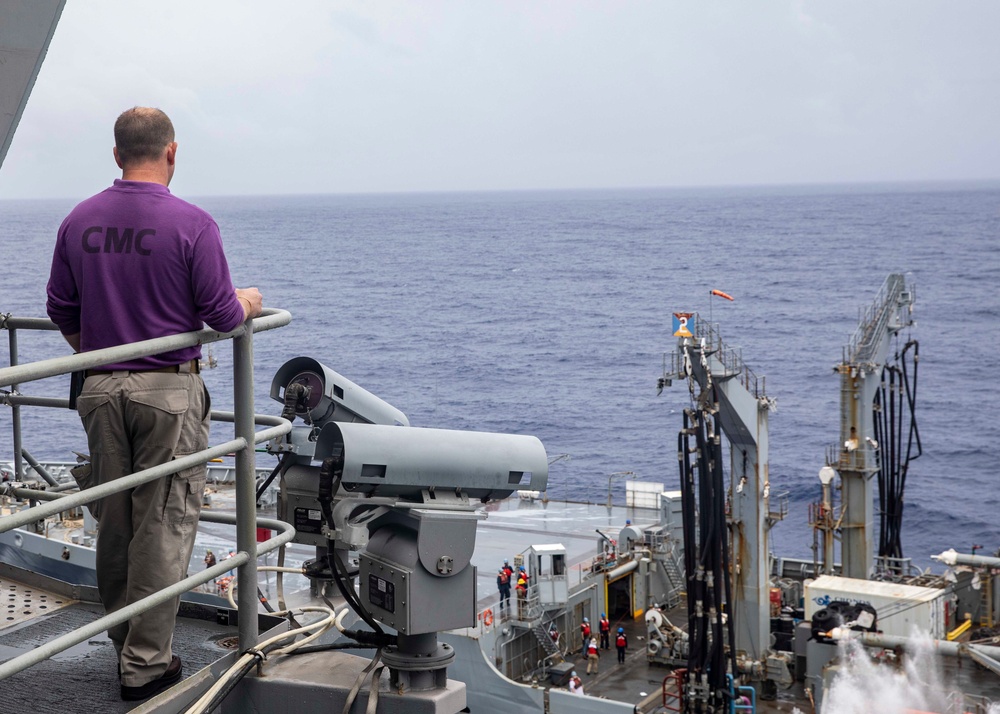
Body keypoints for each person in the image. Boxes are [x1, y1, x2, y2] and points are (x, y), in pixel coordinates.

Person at [46, 106, 263, 701]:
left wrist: (99, 355)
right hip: (167, 390)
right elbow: (220, 316)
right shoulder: (192, 223)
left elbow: (62, 308)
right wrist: (249, 299)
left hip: (97, 385)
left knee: (114, 521)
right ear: (172, 152)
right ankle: (144, 664)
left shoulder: (78, 221)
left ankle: (127, 648)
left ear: (116, 155)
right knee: (164, 524)